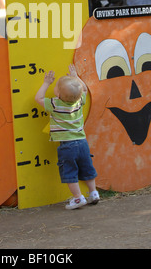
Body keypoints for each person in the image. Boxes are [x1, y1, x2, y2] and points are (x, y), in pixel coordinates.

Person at [35, 64, 99, 210]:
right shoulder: (79, 101)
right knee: (87, 168)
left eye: (56, 87)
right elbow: (85, 89)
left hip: (67, 146)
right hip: (82, 143)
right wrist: (75, 77)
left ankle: (78, 198)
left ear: (57, 94)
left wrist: (46, 83)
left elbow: (38, 98)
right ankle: (93, 193)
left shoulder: (55, 104)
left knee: (70, 172)